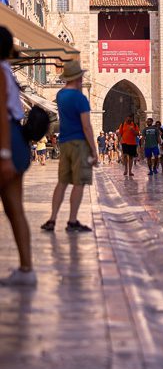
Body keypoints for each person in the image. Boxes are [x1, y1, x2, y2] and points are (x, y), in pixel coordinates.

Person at [41, 60, 98, 233]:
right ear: (77, 78)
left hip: (64, 142)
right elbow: (86, 126)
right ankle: (72, 221)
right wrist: (94, 150)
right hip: (79, 143)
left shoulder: (60, 95)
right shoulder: (80, 98)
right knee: (79, 182)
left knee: (62, 182)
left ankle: (52, 219)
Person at [0, 26, 36, 286]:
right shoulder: (7, 72)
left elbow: (1, 114)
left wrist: (4, 155)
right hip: (17, 139)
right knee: (15, 209)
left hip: (6, 143)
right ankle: (26, 269)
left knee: (15, 209)